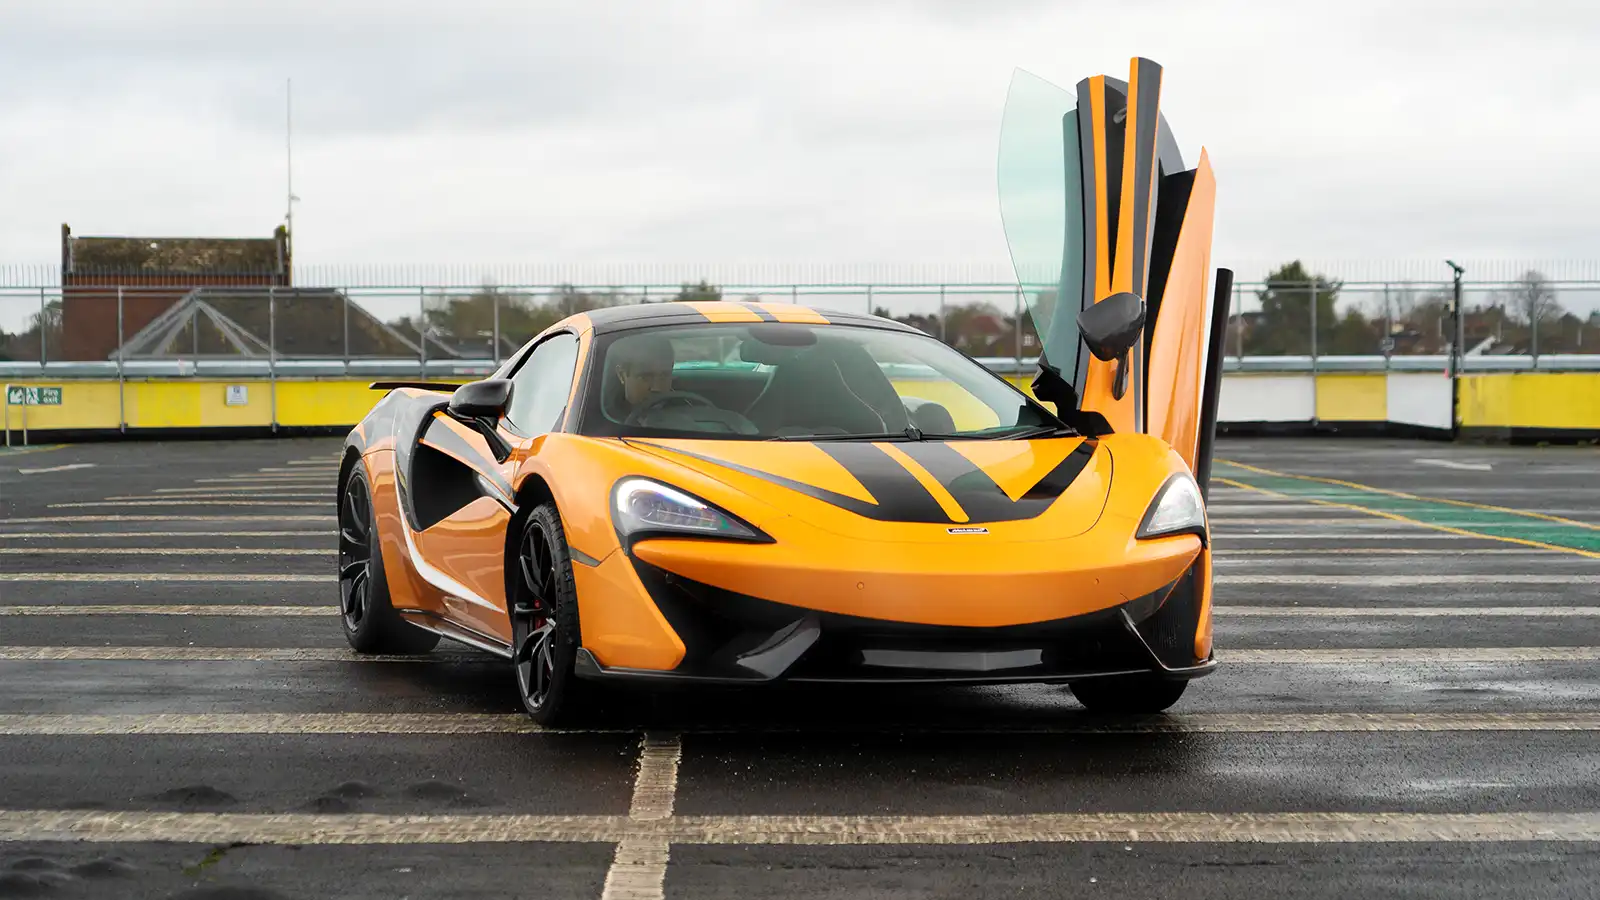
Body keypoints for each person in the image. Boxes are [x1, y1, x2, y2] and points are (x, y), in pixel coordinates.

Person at [610, 333, 675, 420]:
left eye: (664, 375)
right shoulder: (604, 423)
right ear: (622, 375)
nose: (657, 388)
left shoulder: (686, 410)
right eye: (646, 377)